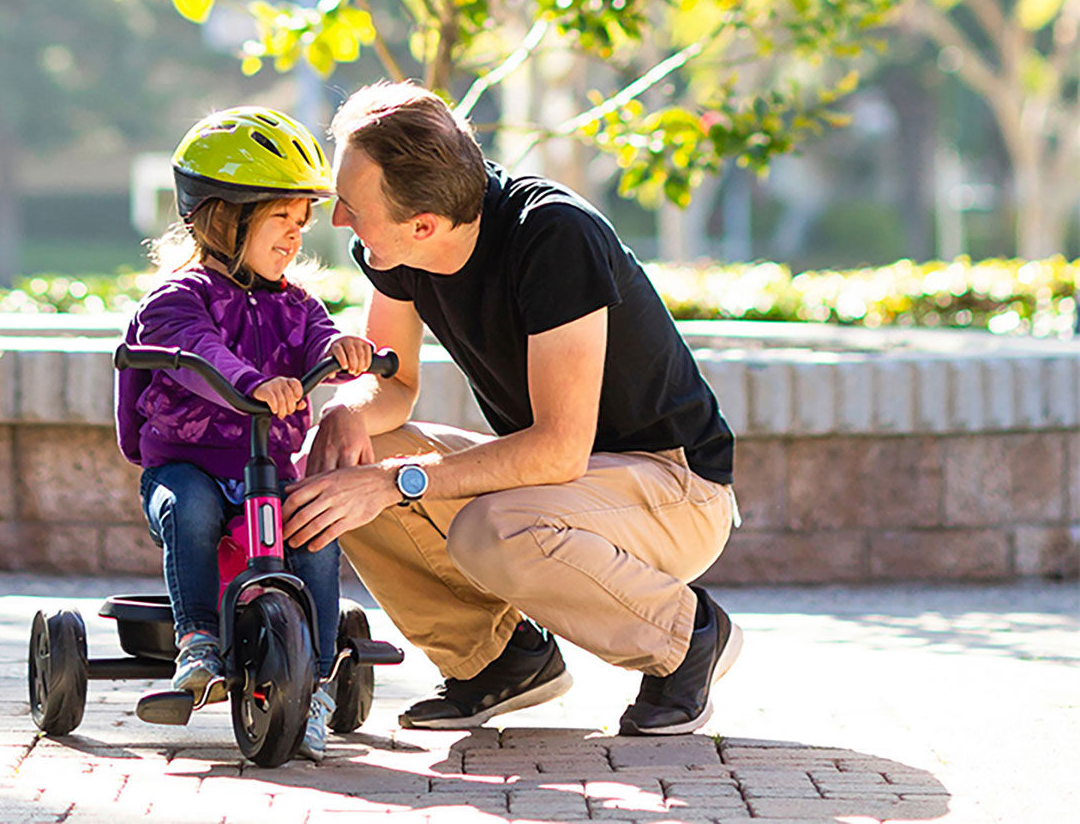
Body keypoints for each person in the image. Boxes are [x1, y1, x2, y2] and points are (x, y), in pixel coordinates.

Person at [282, 81, 740, 736]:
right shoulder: (399, 247)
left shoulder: (554, 237)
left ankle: (686, 636)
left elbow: (559, 448)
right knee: (343, 463)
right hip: (556, 485)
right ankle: (498, 659)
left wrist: (391, 483)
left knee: (486, 527)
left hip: (674, 488)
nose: (338, 222)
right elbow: (396, 381)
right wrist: (347, 411)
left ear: (423, 224)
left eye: (352, 207)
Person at [115, 105, 374, 763]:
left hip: (266, 472)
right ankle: (198, 642)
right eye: (280, 217)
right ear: (224, 218)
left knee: (314, 527)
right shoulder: (176, 299)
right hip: (189, 466)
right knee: (192, 508)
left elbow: (318, 337)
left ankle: (316, 681)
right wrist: (251, 382)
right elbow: (197, 351)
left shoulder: (296, 304)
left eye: (301, 221)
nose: (295, 234)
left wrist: (341, 349)